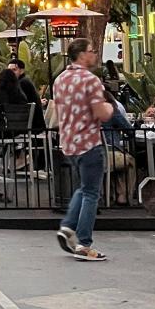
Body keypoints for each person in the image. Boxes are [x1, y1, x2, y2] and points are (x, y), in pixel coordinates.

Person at [51, 38, 113, 261]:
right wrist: (110, 107)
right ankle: (84, 244)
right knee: (91, 193)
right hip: (89, 141)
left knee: (83, 188)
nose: (94, 54)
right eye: (91, 51)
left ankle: (68, 227)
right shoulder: (91, 80)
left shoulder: (60, 80)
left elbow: (58, 112)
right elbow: (100, 113)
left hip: (69, 142)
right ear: (81, 55)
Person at [6, 58, 46, 129]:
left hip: (32, 126)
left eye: (14, 70)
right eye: (9, 71)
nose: (10, 73)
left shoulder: (22, 83)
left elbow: (17, 104)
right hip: (32, 123)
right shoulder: (23, 81)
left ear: (21, 71)